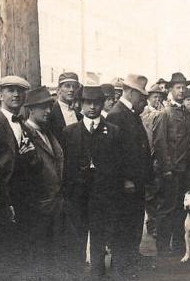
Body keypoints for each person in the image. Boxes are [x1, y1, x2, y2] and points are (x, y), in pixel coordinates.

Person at [61, 85, 124, 278]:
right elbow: (66, 165)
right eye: (88, 103)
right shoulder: (69, 132)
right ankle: (77, 273)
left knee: (99, 235)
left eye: (97, 103)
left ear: (103, 103)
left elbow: (118, 164)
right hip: (77, 194)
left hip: (102, 194)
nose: (92, 107)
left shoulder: (113, 131)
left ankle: (98, 273)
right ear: (80, 105)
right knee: (77, 236)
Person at [14, 86, 66, 276]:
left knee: (54, 258)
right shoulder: (24, 134)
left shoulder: (49, 133)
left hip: (56, 206)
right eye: (42, 107)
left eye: (49, 107)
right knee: (38, 259)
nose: (48, 111)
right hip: (38, 209)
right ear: (30, 109)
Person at [152, 72, 190, 256]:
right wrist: (166, 168)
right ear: (171, 90)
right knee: (167, 208)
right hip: (170, 171)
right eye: (178, 87)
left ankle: (180, 246)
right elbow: (160, 144)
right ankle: (163, 247)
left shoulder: (189, 113)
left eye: (183, 87)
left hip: (186, 170)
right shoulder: (164, 114)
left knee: (184, 208)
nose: (182, 91)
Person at [106, 74, 152, 276]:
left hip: (137, 180)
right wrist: (124, 179)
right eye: (140, 95)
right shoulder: (117, 114)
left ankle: (132, 257)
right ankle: (121, 265)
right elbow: (114, 153)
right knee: (124, 223)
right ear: (132, 92)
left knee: (134, 221)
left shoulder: (129, 112)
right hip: (126, 183)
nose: (142, 99)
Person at [0, 75, 34, 275]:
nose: (16, 94)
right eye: (11, 90)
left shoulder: (24, 124)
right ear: (1, 95)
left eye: (20, 91)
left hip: (25, 198)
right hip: (4, 198)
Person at [140, 82, 167, 237]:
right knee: (150, 193)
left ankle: (158, 224)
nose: (157, 100)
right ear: (149, 98)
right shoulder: (144, 113)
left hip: (160, 157)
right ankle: (152, 224)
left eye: (159, 97)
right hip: (149, 157)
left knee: (161, 192)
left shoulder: (164, 111)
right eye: (155, 97)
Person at [50, 72, 82, 144]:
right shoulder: (51, 113)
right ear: (59, 89)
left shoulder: (79, 115)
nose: (71, 90)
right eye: (67, 86)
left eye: (74, 86)